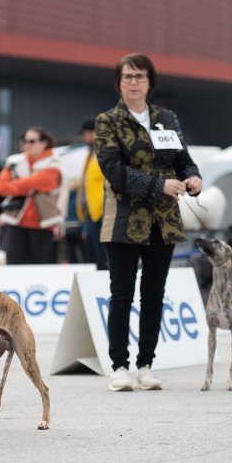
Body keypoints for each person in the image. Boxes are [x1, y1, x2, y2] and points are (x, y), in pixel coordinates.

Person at [96, 53, 202, 392]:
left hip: (164, 221)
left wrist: (193, 177)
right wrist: (159, 185)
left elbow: (183, 159)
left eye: (139, 76)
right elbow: (113, 171)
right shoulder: (108, 121)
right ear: (119, 82)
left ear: (150, 82)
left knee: (155, 294)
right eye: (127, 76)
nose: (133, 82)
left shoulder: (166, 118)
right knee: (122, 294)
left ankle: (146, 365)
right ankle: (119, 366)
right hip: (124, 220)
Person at [0, 127, 63, 264]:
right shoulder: (14, 161)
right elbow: (1, 187)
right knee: (14, 268)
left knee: (42, 271)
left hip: (43, 225)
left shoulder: (54, 163)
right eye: (24, 141)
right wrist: (31, 187)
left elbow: (47, 182)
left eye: (32, 141)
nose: (26, 145)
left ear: (44, 143)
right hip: (15, 222)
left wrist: (16, 184)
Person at [76, 118, 108, 270]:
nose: (84, 138)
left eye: (86, 133)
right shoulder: (91, 155)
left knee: (103, 259)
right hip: (91, 214)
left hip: (103, 214)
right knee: (92, 260)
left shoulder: (107, 153)